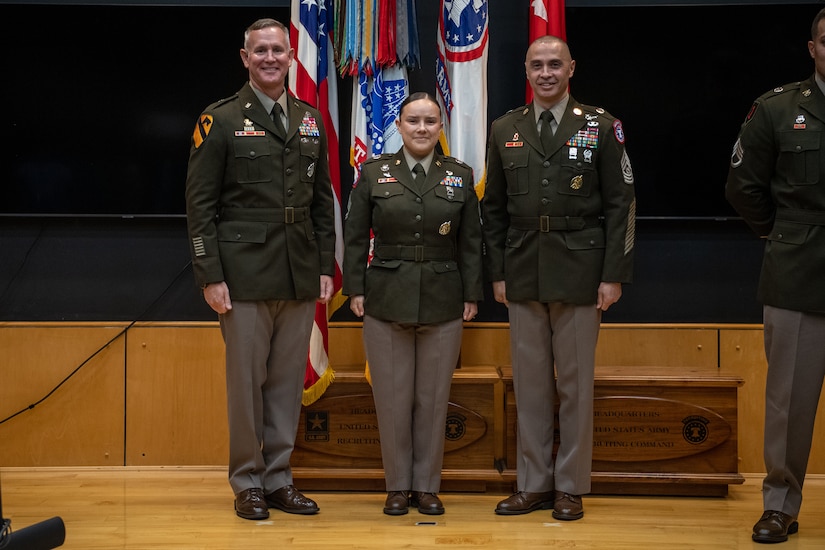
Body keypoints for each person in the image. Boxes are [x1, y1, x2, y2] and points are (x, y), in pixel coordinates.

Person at [184, 18, 336, 521]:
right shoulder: (221, 119)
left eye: (278, 50)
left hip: (297, 272)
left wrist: (322, 266)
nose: (270, 58)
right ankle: (247, 481)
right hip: (243, 275)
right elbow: (200, 205)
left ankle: (278, 480)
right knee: (246, 385)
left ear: (292, 57)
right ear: (245, 58)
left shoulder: (310, 120)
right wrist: (210, 273)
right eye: (260, 50)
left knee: (287, 383)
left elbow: (321, 204)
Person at [481, 35, 636, 521]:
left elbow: (622, 205)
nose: (545, 72)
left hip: (580, 271)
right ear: (526, 72)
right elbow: (494, 209)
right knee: (529, 385)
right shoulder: (505, 127)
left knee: (574, 385)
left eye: (554, 64)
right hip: (524, 269)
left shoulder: (600, 126)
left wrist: (613, 275)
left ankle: (569, 485)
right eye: (536, 65)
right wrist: (499, 274)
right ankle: (533, 484)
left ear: (572, 68)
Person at [342, 92, 483, 516]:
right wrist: (356, 289)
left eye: (430, 121)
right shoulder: (373, 174)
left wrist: (471, 294)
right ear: (399, 126)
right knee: (392, 398)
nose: (422, 128)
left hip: (444, 298)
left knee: (433, 399)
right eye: (413, 121)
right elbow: (353, 238)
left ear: (441, 127)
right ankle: (397, 486)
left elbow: (471, 243)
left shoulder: (459, 176)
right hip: (385, 296)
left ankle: (427, 486)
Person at [725, 7, 825, 544]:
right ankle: (780, 505)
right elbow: (742, 187)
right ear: (813, 48)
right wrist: (782, 233)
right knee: (788, 400)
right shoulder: (778, 109)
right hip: (798, 272)